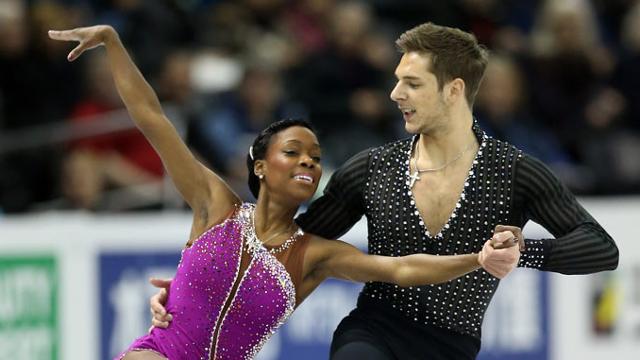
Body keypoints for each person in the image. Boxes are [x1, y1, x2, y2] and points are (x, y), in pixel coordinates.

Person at [146, 22, 620, 360]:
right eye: (396, 82)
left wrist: (523, 254)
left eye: (411, 84)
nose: (395, 94)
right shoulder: (373, 169)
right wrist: (197, 291)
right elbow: (284, 250)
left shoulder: (514, 172)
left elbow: (601, 249)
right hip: (372, 332)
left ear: (453, 91)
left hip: (453, 346)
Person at [48, 25, 520, 360]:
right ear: (260, 165)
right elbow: (153, 118)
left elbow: (400, 269)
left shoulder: (313, 255)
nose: (308, 163)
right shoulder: (215, 203)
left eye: (315, 159)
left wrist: (475, 261)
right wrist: (112, 41)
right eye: (293, 152)